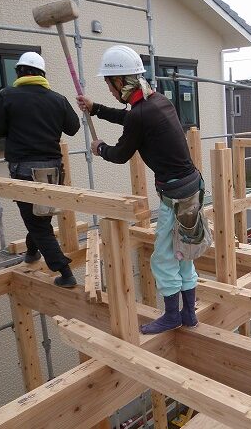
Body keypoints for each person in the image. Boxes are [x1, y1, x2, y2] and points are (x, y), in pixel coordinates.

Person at [76, 45, 202, 334]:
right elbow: (131, 119)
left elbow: (120, 153)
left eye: (109, 83)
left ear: (121, 82)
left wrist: (100, 148)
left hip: (175, 196)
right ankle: (189, 314)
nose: (108, 89)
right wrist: (96, 109)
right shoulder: (157, 101)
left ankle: (172, 316)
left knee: (164, 257)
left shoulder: (140, 114)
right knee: (184, 250)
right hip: (191, 187)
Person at [0, 51, 80, 287]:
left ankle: (65, 271)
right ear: (42, 74)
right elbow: (73, 128)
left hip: (24, 170)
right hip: (52, 170)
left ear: (19, 72)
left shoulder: (7, 96)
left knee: (36, 222)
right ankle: (32, 253)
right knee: (39, 218)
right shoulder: (57, 99)